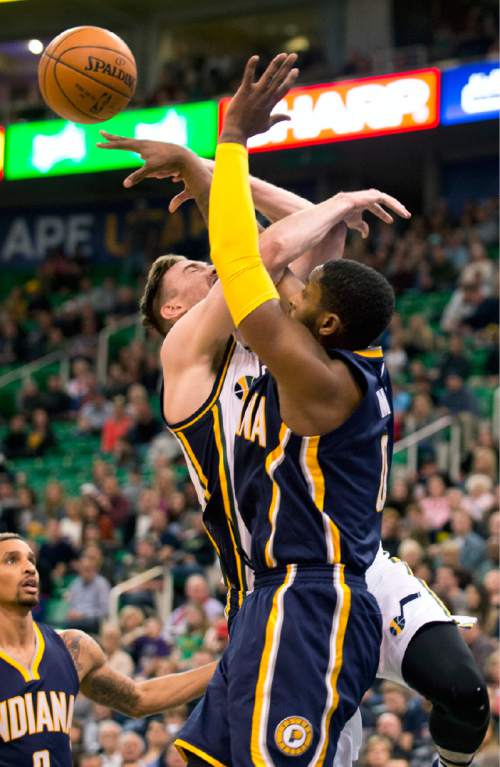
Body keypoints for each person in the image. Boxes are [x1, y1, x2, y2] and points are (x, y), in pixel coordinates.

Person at [99, 61, 488, 765]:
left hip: (339, 562)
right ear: (173, 310)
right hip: (269, 582)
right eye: (184, 268)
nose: (200, 262)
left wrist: (215, 165)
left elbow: (296, 248)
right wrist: (213, 160)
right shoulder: (190, 352)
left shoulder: (293, 332)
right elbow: (264, 245)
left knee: (463, 694)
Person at [0, 532, 215, 766]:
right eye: (11, 560)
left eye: (31, 559)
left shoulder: (72, 648)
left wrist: (226, 666)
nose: (29, 568)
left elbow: (140, 698)